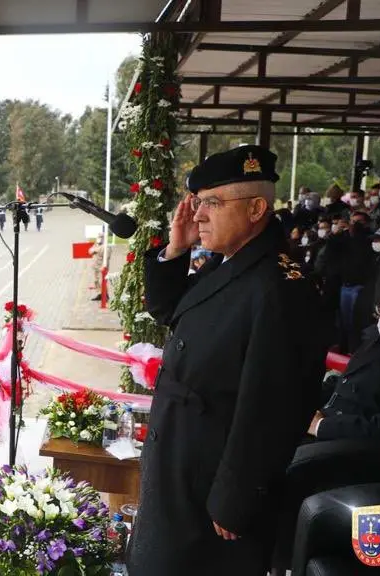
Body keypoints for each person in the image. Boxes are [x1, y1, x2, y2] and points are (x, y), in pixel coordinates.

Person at [127, 145, 328, 576]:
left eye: (212, 203)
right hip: (183, 466)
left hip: (215, 494)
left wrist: (237, 497)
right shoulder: (232, 265)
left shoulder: (279, 287)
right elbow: (174, 312)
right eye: (198, 203)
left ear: (256, 208)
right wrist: (175, 251)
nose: (198, 215)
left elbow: (274, 406)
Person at [308, 253, 380, 442]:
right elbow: (347, 381)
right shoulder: (375, 337)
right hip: (329, 421)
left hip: (356, 448)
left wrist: (321, 427)